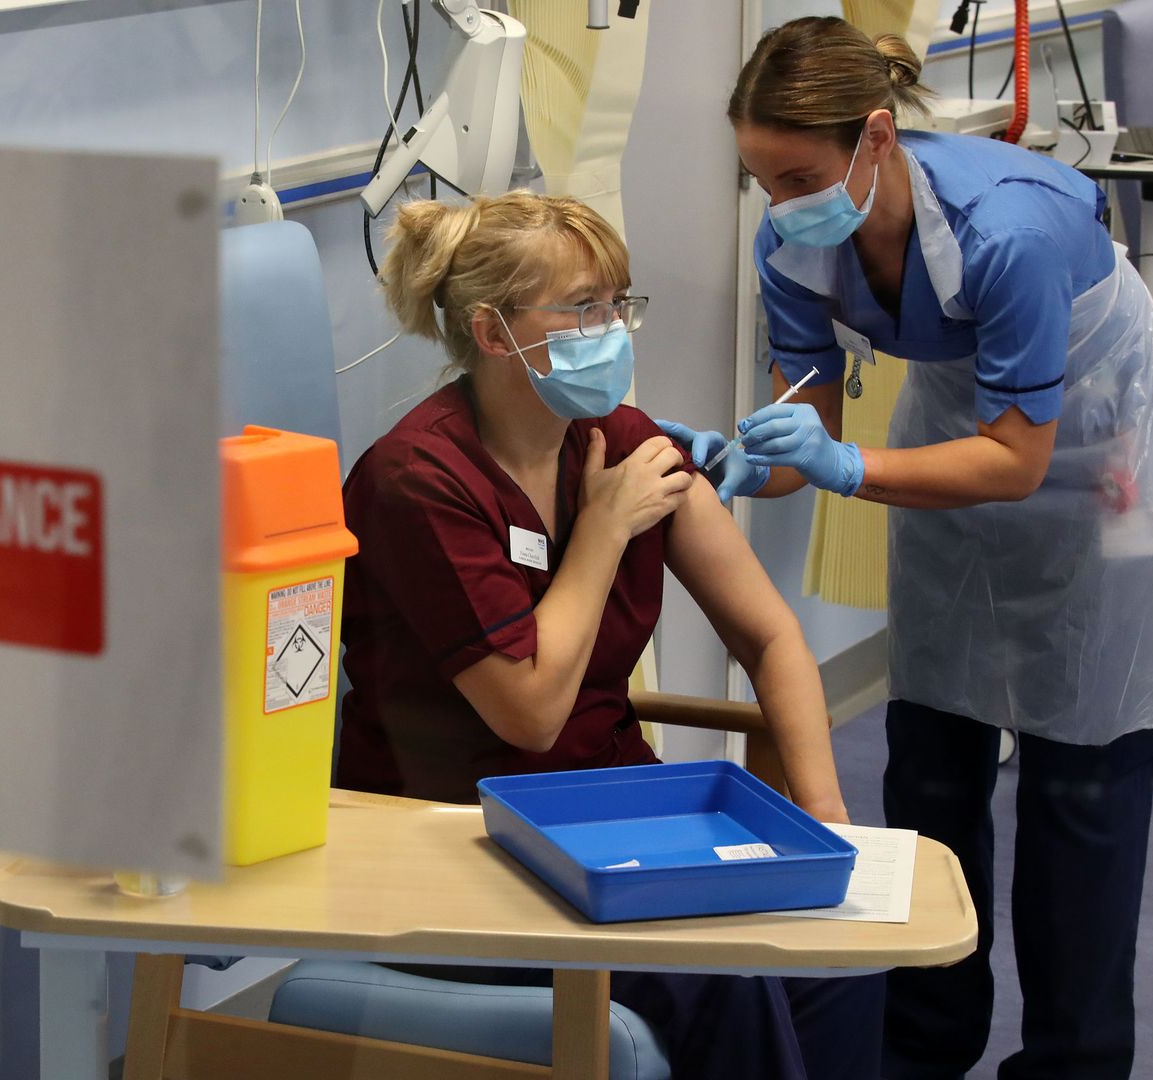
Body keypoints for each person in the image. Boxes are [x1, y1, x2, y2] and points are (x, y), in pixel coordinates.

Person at [653, 18, 1153, 1080]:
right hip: (958, 436)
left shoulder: (1013, 231)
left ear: (878, 137)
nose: (780, 206)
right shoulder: (797, 239)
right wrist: (742, 458)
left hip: (1098, 448)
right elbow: (804, 423)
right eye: (759, 179)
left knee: (1083, 782)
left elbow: (1015, 462)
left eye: (797, 175)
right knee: (934, 756)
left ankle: (1074, 1061)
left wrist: (849, 469)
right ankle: (923, 1043)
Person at [337, 189, 880, 1079]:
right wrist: (603, 529)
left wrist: (827, 827)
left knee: (839, 966)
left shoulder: (618, 439)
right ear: (492, 331)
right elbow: (532, 715)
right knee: (730, 985)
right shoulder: (418, 482)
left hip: (618, 826)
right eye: (584, 308)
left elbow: (772, 639)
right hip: (459, 844)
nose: (614, 329)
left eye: (618, 304)